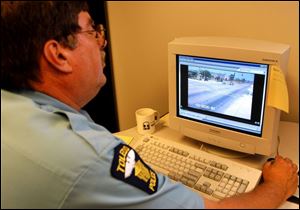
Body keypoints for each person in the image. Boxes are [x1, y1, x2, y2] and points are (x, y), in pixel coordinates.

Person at [1, 1, 298, 209]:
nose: (102, 43)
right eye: (93, 32)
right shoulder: (89, 158)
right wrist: (276, 185)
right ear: (59, 55)